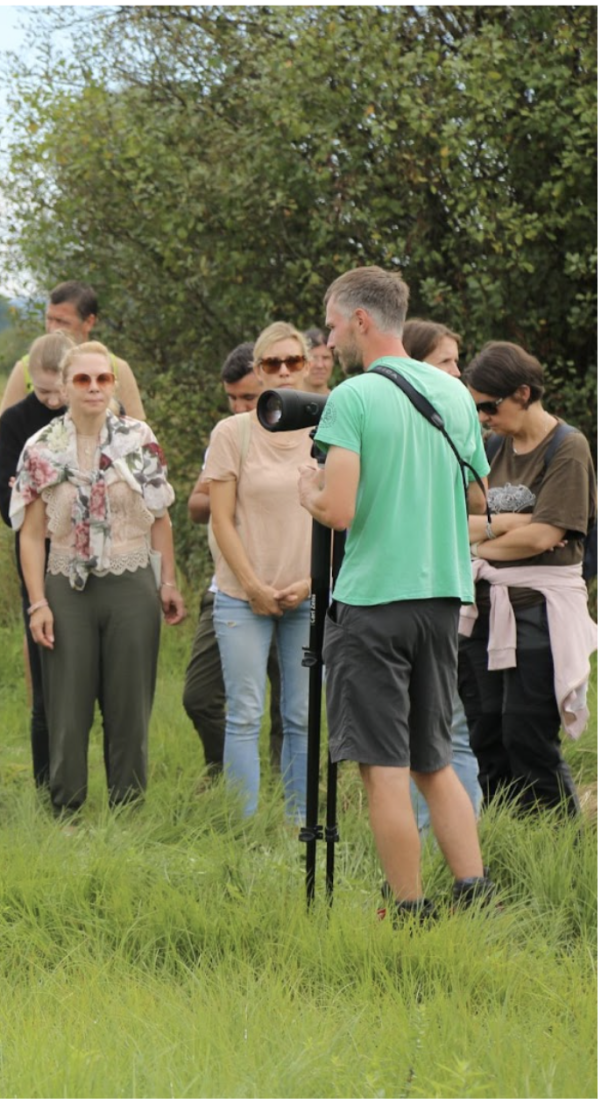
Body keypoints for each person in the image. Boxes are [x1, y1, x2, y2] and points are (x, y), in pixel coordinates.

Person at [298, 265, 492, 922]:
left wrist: (310, 493)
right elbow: (475, 494)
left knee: (382, 764)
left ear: (359, 320)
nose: (330, 339)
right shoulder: (455, 394)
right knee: (434, 758)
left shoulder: (354, 397)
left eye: (331, 324)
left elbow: (341, 510)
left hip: (373, 601)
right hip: (442, 594)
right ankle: (475, 890)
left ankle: (410, 909)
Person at [13, 340, 186, 815]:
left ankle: (127, 809)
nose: (93, 388)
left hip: (131, 582)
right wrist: (37, 603)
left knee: (130, 705)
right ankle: (66, 808)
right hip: (65, 585)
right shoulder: (41, 447)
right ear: (64, 386)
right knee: (66, 707)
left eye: (102, 379)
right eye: (83, 379)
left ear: (113, 383)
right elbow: (30, 536)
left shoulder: (139, 438)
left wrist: (167, 582)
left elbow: (160, 517)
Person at [460, 341, 596, 816]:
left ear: (522, 393)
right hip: (484, 606)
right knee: (486, 733)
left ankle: (559, 843)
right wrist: (517, 528)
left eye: (488, 406)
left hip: (538, 610)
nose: (482, 417)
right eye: (475, 407)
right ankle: (502, 839)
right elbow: (457, 520)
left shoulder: (568, 447)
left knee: (527, 733)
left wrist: (480, 542)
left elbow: (546, 536)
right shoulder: (490, 446)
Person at [204, 323, 315, 822]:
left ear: (309, 364)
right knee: (244, 714)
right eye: (273, 364)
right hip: (240, 594)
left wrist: (314, 581)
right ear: (258, 369)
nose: (284, 371)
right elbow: (220, 518)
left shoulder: (331, 428)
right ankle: (242, 828)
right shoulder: (233, 432)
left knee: (301, 716)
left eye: (293, 361)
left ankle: (300, 823)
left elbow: (348, 516)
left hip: (308, 593)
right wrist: (251, 585)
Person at [182, 343, 283, 777]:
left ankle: (286, 790)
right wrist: (232, 488)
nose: (241, 406)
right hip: (229, 584)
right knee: (200, 695)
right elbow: (196, 505)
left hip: (289, 581)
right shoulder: (228, 435)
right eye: (233, 398)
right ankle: (221, 770)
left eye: (248, 397)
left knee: (290, 705)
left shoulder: (300, 433)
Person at [403, 320, 482, 827]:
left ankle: (450, 840)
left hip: (442, 594)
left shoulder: (458, 417)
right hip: (405, 593)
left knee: (446, 728)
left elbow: (478, 502)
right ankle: (426, 839)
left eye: (458, 360)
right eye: (445, 362)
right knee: (421, 731)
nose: (457, 372)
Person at [0, 331, 73, 790]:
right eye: (42, 391)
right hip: (36, 552)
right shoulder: (15, 420)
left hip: (86, 553)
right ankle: (46, 783)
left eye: (58, 389)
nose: (52, 399)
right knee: (45, 672)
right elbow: (9, 505)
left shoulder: (91, 413)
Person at [0, 282, 145, 420]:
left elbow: (138, 435)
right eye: (49, 319)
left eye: (62, 322)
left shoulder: (116, 367)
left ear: (89, 322)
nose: (52, 328)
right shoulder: (26, 367)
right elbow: (6, 430)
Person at [302, 328, 334, 395]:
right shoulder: (289, 403)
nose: (320, 365)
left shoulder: (340, 402)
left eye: (325, 358)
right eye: (313, 358)